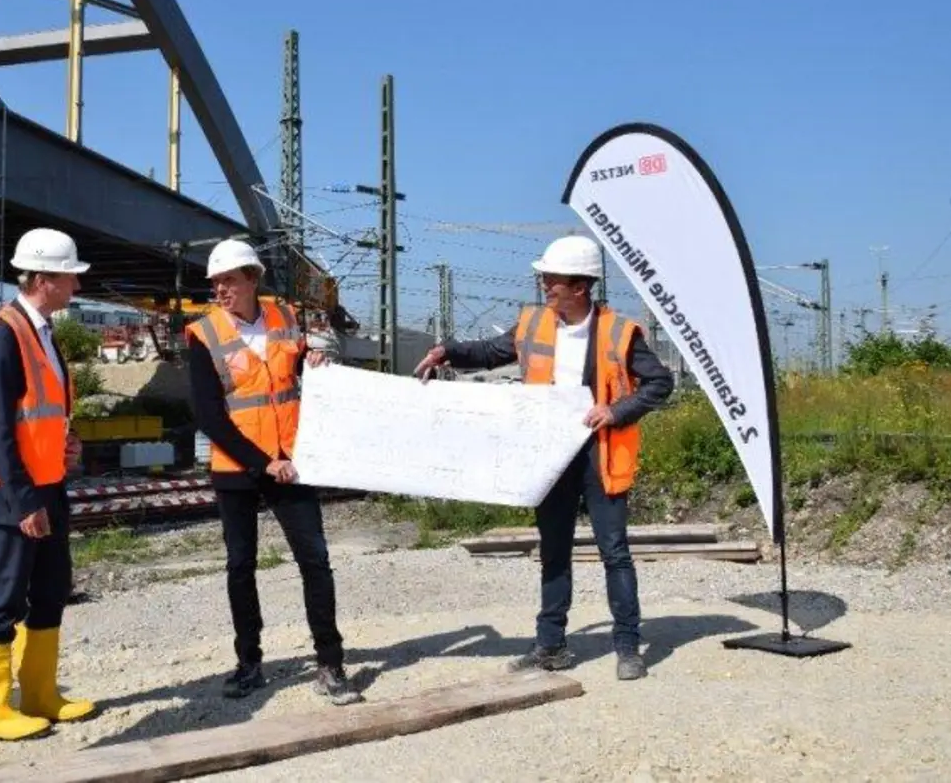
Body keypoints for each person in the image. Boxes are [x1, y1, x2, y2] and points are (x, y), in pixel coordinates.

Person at [413, 235, 674, 681]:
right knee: (554, 551)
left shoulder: (619, 331)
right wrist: (447, 351)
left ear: (579, 286)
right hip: (551, 453)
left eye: (551, 279)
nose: (544, 285)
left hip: (600, 453)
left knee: (615, 552)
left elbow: (659, 384)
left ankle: (628, 646)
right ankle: (550, 646)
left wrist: (615, 411)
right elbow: (490, 353)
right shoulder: (534, 324)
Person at [185, 239, 362, 706]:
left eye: (228, 280)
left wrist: (313, 360)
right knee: (241, 566)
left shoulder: (283, 317)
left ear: (251, 279)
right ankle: (249, 663)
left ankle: (330, 661)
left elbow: (292, 367)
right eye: (215, 282)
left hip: (291, 460)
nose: (220, 289)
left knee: (315, 560)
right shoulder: (203, 334)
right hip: (240, 468)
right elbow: (209, 416)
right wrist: (263, 462)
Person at [0, 228, 97, 740]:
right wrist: (22, 500)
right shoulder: (3, 333)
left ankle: (40, 693)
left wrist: (69, 443)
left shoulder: (41, 331)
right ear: (43, 279)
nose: (75, 288)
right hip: (8, 494)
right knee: (5, 598)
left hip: (47, 484)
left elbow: (42, 414)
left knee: (51, 591)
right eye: (69, 278)